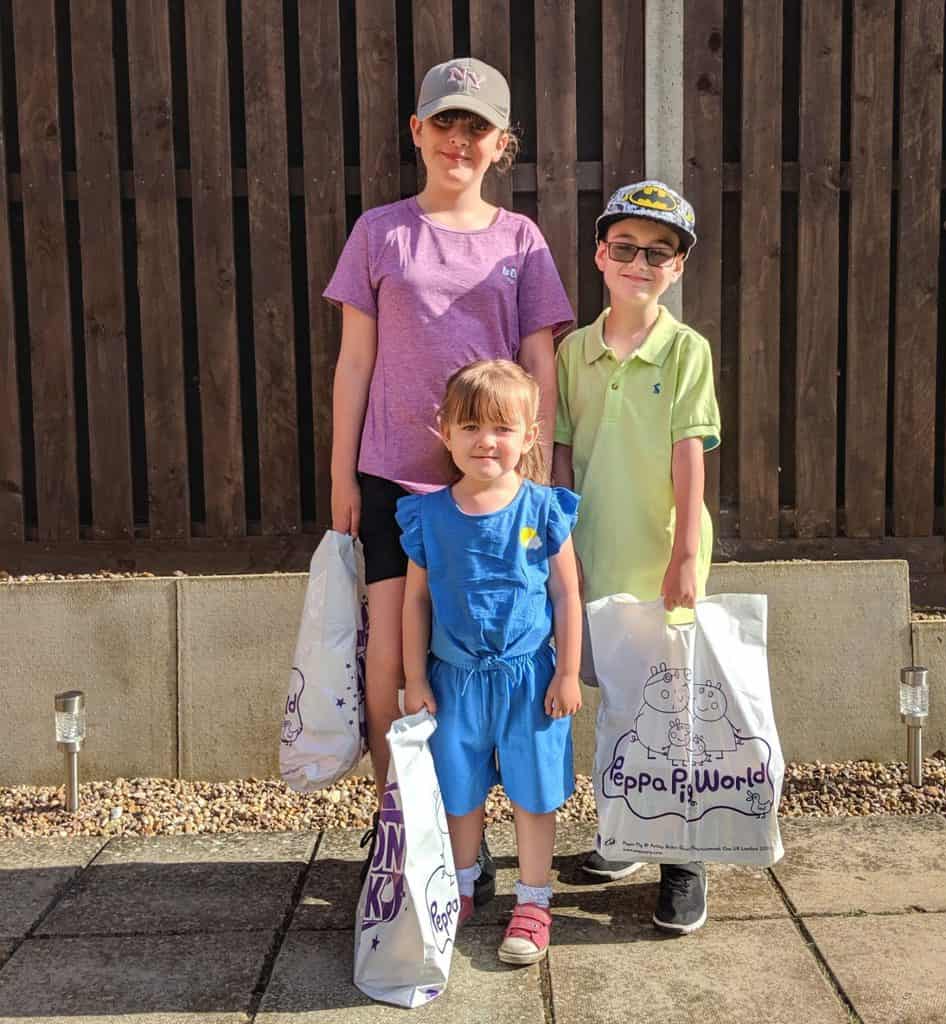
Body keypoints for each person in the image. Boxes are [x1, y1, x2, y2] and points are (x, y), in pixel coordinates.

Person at [323, 57, 574, 904]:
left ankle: (495, 839)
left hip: (500, 493)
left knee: (498, 655)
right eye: (445, 123)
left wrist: (547, 461)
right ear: (417, 132)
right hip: (400, 477)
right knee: (392, 658)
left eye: (478, 128)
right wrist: (344, 474)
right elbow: (355, 362)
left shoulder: (520, 241)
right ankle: (402, 823)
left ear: (502, 143)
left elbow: (540, 356)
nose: (459, 140)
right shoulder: (380, 232)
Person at [552, 180, 722, 934]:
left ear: (677, 268)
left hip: (662, 560)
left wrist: (685, 552)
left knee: (671, 708)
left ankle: (685, 861)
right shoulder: (570, 353)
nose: (639, 263)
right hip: (589, 555)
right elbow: (557, 455)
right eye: (625, 247)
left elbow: (690, 452)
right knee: (616, 703)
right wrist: (554, 544)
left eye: (658, 253)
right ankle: (624, 833)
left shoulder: (686, 350)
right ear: (599, 255)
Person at [398, 360, 583, 965]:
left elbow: (565, 593)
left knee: (533, 792)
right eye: (472, 426)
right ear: (444, 433)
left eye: (503, 428)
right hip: (454, 682)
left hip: (532, 679)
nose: (486, 441)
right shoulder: (429, 516)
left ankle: (533, 901)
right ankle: (460, 882)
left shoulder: (543, 510)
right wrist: (416, 678)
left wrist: (567, 671)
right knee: (459, 788)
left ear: (530, 436)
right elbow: (416, 601)